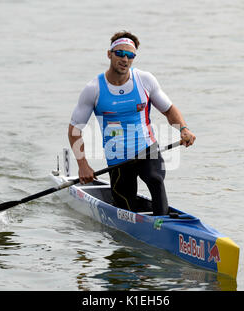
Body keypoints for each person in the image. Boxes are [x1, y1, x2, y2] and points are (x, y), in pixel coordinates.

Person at [68, 31, 195, 216]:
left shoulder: (145, 80)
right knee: (125, 203)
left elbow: (169, 110)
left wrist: (183, 129)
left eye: (130, 55)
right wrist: (83, 165)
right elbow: (75, 130)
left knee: (155, 180)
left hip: (147, 149)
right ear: (109, 54)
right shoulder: (93, 89)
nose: (124, 59)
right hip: (118, 158)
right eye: (119, 53)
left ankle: (161, 223)